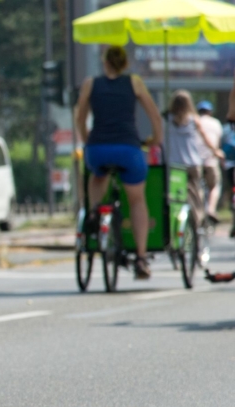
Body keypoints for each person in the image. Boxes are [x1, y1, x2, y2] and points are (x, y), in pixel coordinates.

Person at [75, 45, 163, 280]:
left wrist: (86, 140)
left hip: (98, 148)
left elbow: (80, 116)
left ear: (105, 63)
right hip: (128, 148)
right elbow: (154, 114)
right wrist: (156, 139)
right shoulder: (134, 82)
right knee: (136, 200)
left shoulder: (90, 84)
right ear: (125, 63)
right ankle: (142, 258)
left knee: (97, 176)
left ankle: (94, 212)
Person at [166, 91, 225, 227]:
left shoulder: (167, 119)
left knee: (173, 195)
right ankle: (198, 224)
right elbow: (206, 139)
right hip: (192, 163)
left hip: (174, 164)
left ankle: (174, 225)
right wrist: (215, 151)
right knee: (196, 194)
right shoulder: (193, 120)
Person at [195, 100, 223, 223]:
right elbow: (218, 143)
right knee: (215, 186)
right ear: (210, 112)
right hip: (211, 160)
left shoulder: (195, 121)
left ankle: (199, 212)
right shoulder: (216, 123)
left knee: (198, 187)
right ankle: (211, 209)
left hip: (196, 161)